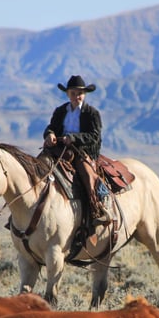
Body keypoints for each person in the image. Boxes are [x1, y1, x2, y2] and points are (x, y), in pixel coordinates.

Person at [43, 75, 111, 225]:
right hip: (59, 149)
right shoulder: (60, 111)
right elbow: (51, 127)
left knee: (86, 174)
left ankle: (97, 209)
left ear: (84, 94)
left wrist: (73, 138)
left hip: (82, 151)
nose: (76, 96)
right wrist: (50, 134)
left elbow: (94, 136)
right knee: (36, 166)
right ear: (68, 94)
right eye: (73, 93)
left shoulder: (92, 113)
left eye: (79, 93)